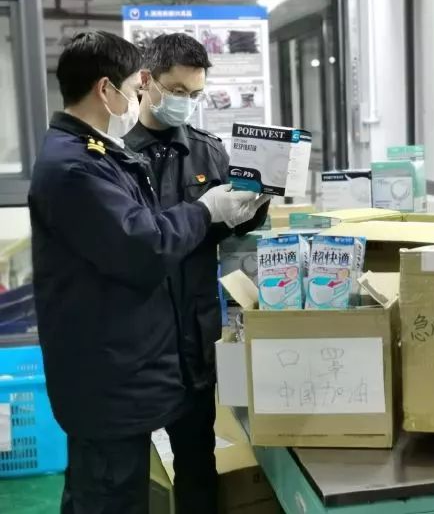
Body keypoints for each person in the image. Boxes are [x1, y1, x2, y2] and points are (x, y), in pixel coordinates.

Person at [29, 31, 268, 514]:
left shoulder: (186, 150)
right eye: (136, 88)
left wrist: (249, 205)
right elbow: (144, 244)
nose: (138, 97)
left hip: (172, 341)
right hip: (113, 361)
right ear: (109, 89)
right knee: (110, 490)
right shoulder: (85, 164)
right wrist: (205, 210)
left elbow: (168, 234)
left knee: (189, 467)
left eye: (195, 94)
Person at [124, 33, 269, 514]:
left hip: (194, 338)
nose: (185, 102)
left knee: (197, 466)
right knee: (128, 471)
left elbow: (232, 226)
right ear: (146, 81)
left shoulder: (210, 153)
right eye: (177, 91)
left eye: (195, 94)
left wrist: (258, 201)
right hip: (138, 343)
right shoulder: (117, 159)